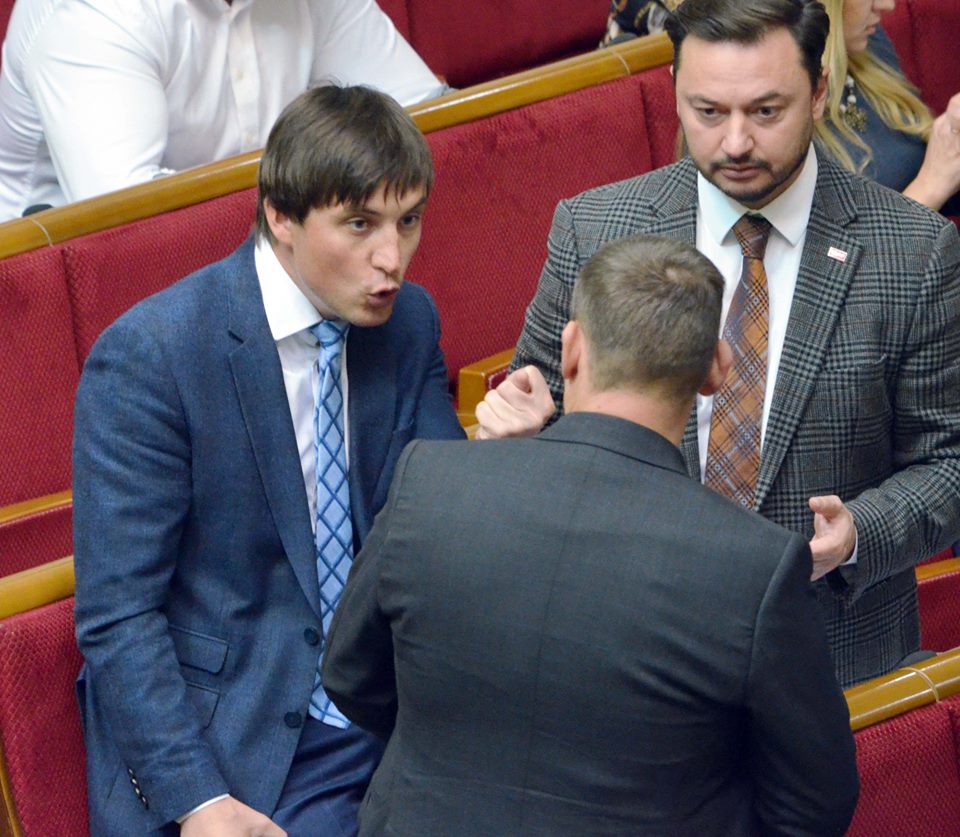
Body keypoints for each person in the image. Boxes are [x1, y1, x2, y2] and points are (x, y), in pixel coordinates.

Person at [72, 84, 539, 836]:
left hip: (388, 712)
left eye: (408, 220)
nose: (392, 258)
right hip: (237, 747)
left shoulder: (406, 322)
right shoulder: (153, 357)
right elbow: (119, 616)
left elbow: (431, 523)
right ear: (280, 217)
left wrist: (498, 459)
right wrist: (199, 801)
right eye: (359, 224)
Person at [322, 233, 859, 837]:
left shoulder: (429, 481)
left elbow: (350, 678)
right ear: (717, 367)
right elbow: (815, 803)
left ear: (571, 348)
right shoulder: (757, 565)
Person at [511, 0, 960, 688]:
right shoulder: (594, 229)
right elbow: (538, 410)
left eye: (766, 111)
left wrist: (858, 533)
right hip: (630, 660)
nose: (736, 142)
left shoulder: (914, 250)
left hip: (833, 664)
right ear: (676, 93)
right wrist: (517, 432)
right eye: (709, 112)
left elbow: (948, 462)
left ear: (818, 92)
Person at [0, 0, 447, 221]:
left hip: (277, 248)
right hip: (59, 301)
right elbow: (133, 222)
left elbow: (434, 124)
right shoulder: (91, 11)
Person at [817, 0, 960, 214]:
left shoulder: (868, 44)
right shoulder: (786, 108)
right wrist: (931, 185)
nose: (888, 5)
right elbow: (843, 237)